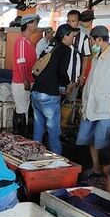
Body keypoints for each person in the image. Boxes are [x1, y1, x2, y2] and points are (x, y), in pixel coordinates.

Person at [77, 25, 110, 175]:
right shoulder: (96, 57)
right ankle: (95, 168)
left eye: (92, 40)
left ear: (99, 40)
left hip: (106, 109)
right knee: (91, 140)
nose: (91, 43)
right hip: (91, 106)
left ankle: (108, 172)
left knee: (104, 143)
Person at [32, 24, 79, 155]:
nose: (73, 39)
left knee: (38, 127)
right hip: (49, 94)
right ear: (64, 37)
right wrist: (67, 83)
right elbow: (61, 71)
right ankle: (57, 159)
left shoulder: (50, 47)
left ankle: (35, 155)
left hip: (36, 91)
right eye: (71, 36)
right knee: (53, 129)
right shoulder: (65, 49)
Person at [11, 14, 39, 135]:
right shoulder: (22, 41)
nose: (36, 25)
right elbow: (21, 61)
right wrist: (25, 80)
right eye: (35, 23)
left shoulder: (27, 41)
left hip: (27, 81)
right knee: (22, 109)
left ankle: (21, 135)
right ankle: (20, 135)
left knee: (23, 108)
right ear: (28, 24)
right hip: (21, 82)